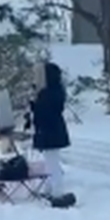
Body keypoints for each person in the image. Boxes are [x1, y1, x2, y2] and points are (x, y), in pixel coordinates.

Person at [28, 60, 71, 206]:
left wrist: (34, 104)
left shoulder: (48, 94)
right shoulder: (54, 91)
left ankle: (58, 193)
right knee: (50, 162)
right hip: (53, 131)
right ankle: (50, 189)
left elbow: (42, 114)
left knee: (52, 164)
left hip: (50, 133)